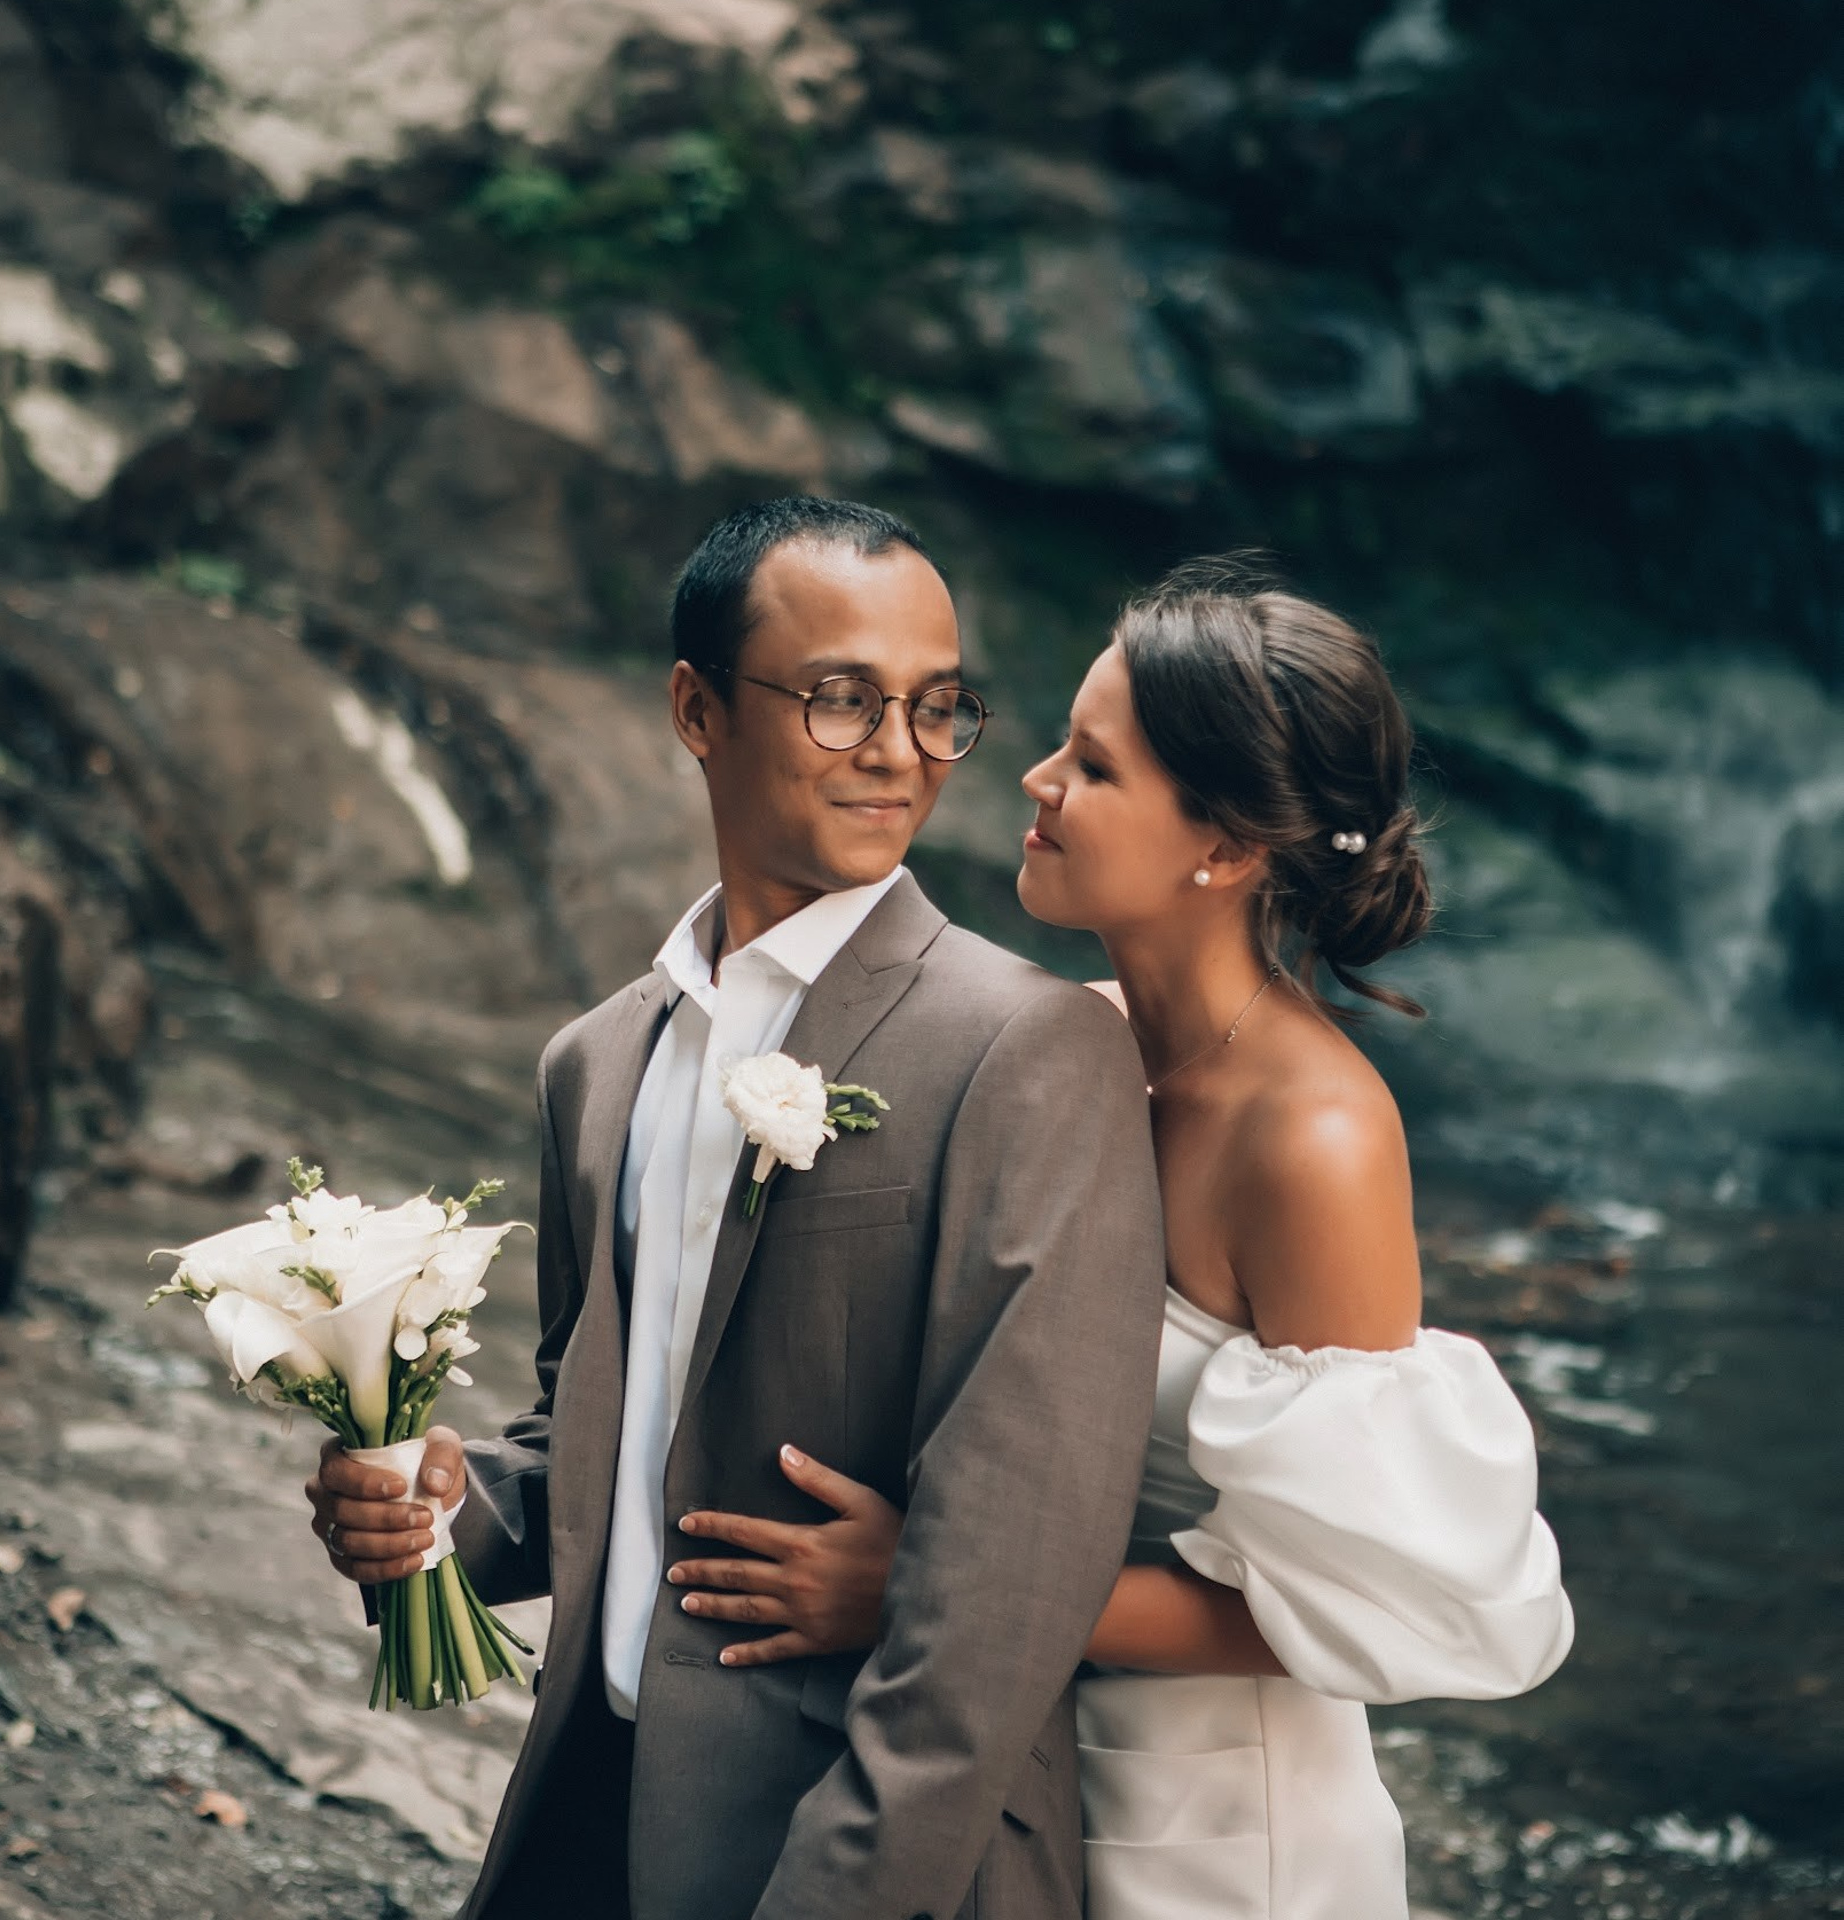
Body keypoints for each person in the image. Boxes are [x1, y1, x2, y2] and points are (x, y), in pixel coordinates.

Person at [666, 561, 1576, 1920]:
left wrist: (931, 1588)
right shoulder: (1062, 1042)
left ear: (1222, 847)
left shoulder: (1311, 1139)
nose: (1032, 780)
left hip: (1211, 1825)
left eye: (1091, 766)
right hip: (1001, 1757)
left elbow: (1352, 1613)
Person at [304, 496, 1169, 1920]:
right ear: (699, 710)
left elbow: (1009, 1586)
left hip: (859, 1846)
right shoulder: (596, 1059)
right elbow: (605, 1427)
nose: (899, 752)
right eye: (841, 701)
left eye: (936, 707)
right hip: (591, 1808)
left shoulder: (1031, 1050)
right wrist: (440, 1512)